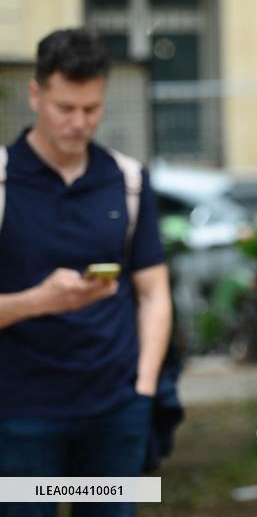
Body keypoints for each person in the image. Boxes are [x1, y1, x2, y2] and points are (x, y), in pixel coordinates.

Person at [0, 29, 172, 517]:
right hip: (21, 417)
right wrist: (39, 300)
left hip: (114, 413)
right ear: (36, 94)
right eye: (65, 108)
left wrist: (143, 389)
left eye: (91, 108)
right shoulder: (5, 179)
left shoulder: (128, 180)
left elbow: (154, 292)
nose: (79, 123)